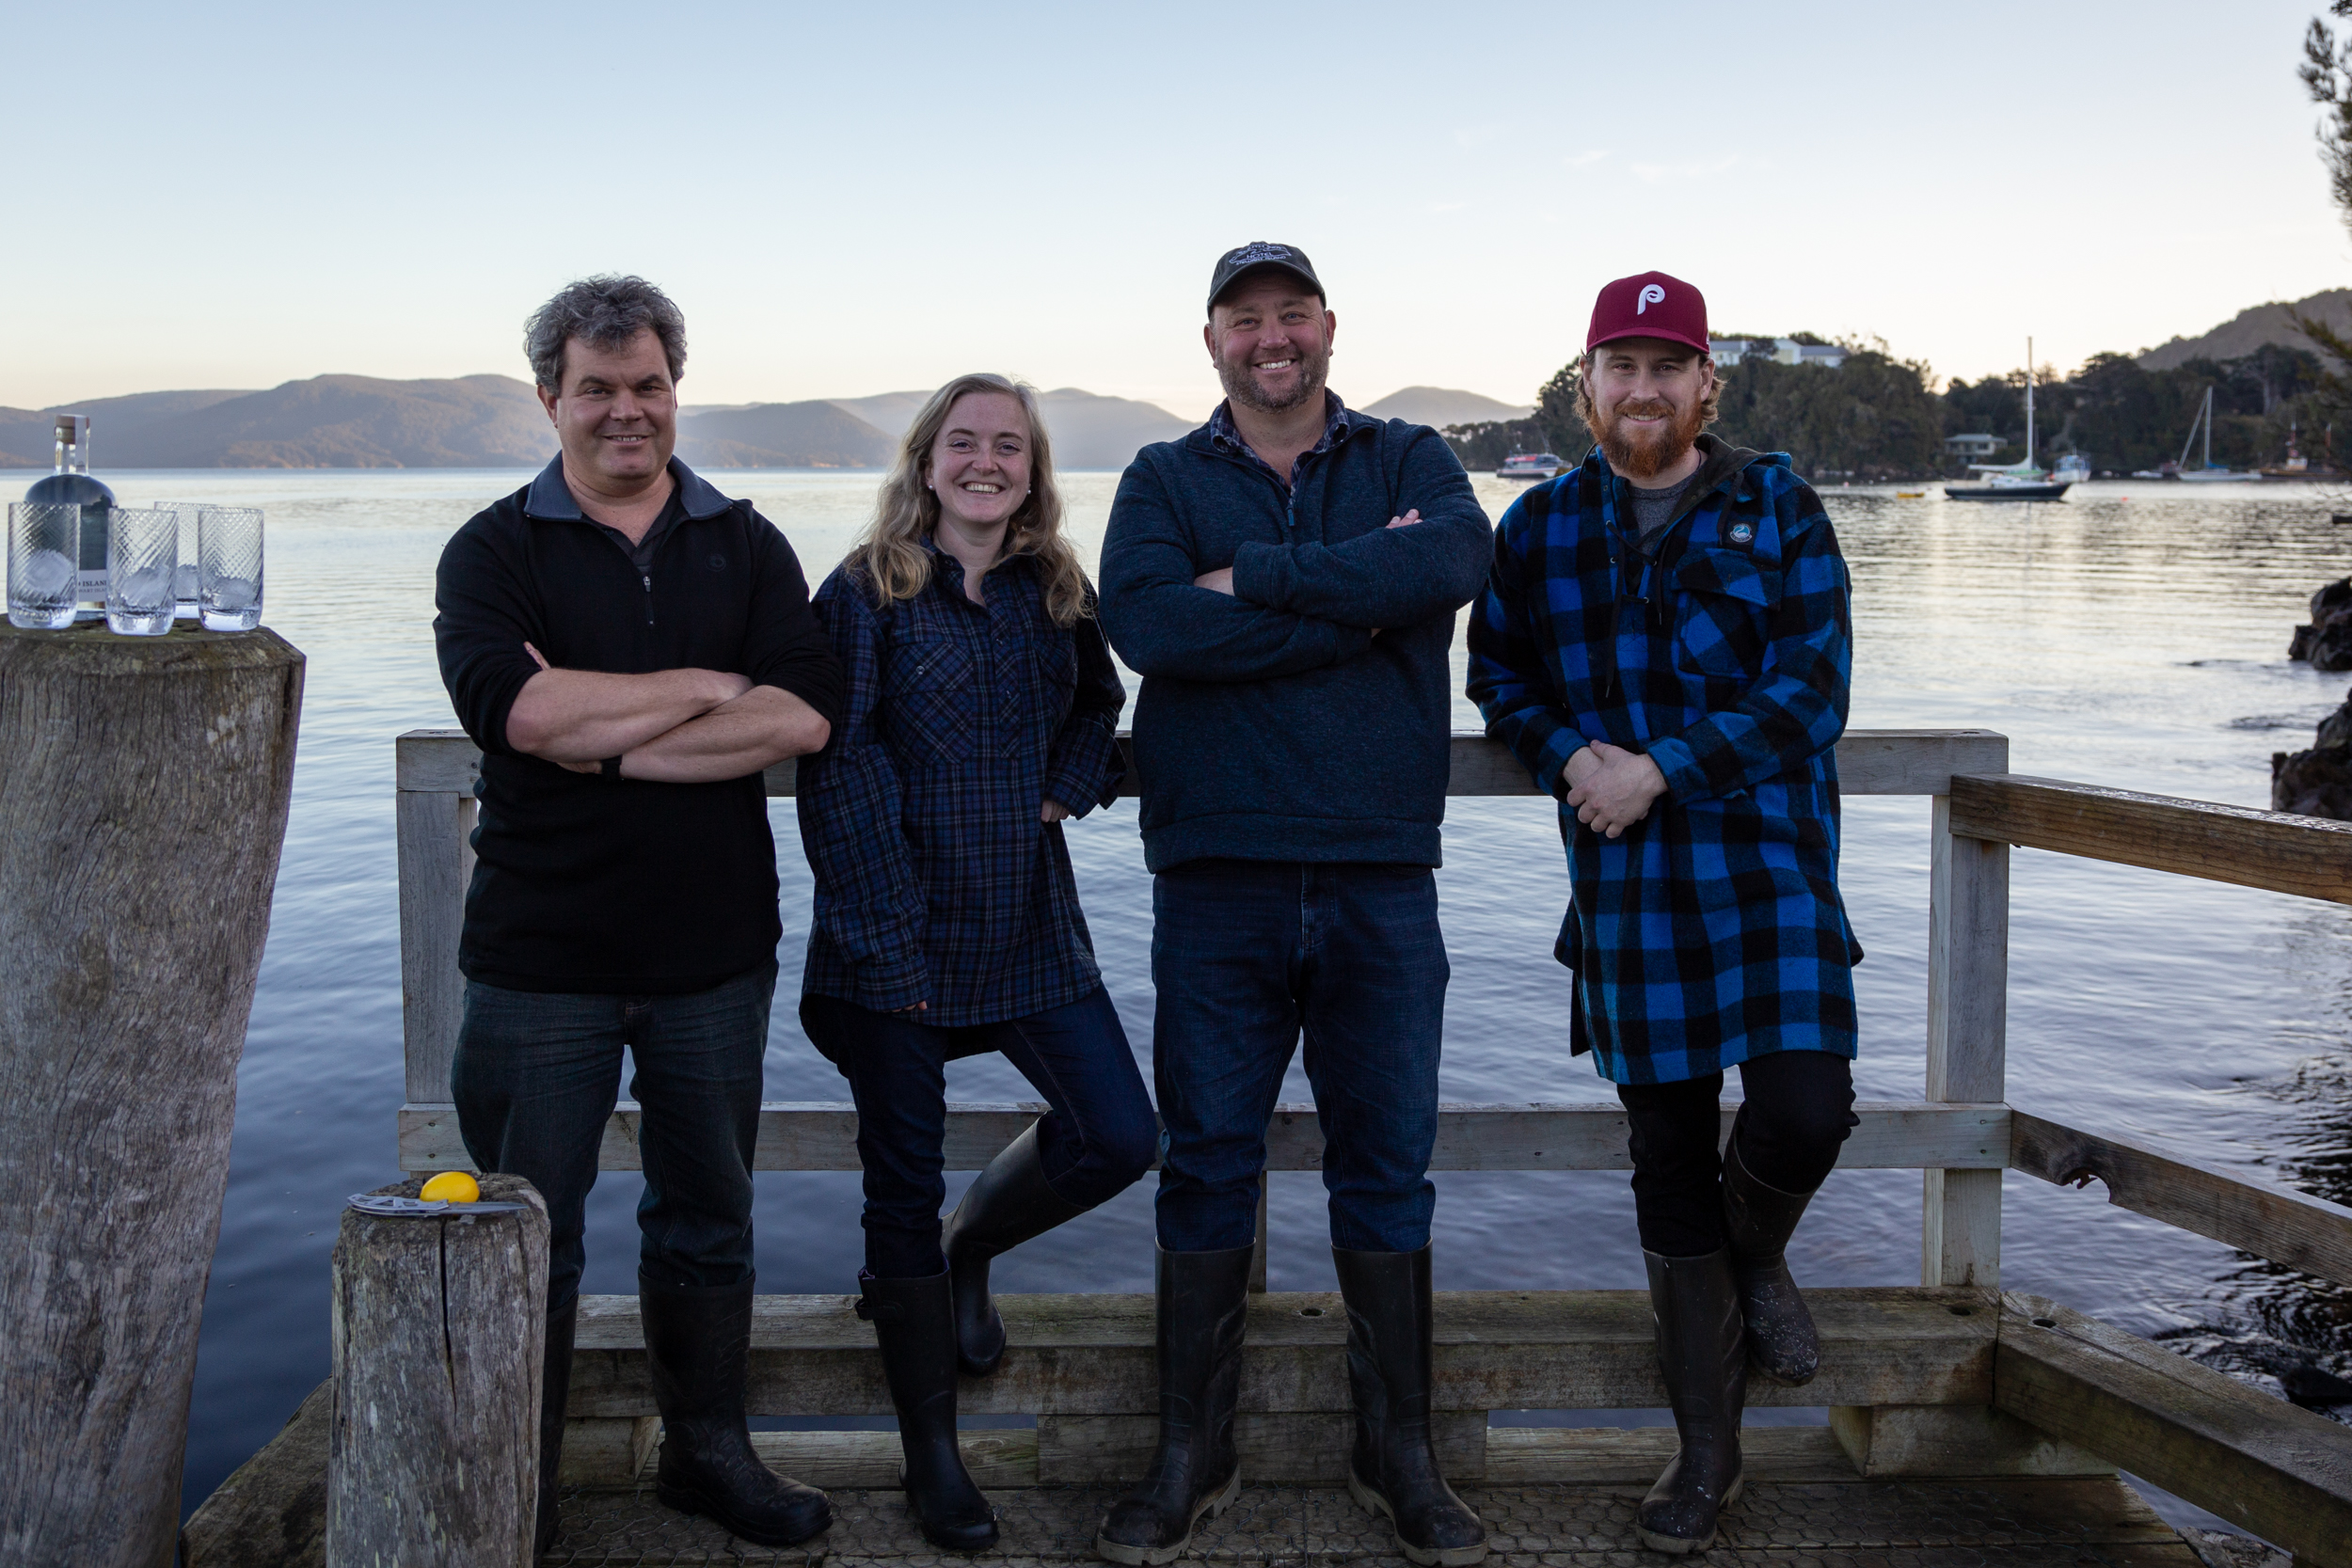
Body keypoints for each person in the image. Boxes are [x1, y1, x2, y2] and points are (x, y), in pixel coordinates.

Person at [1093, 243, 1494, 1568]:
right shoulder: (1161, 477)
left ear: (1327, 326)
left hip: (1383, 869)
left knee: (1387, 1168)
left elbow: (1452, 561)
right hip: (1216, 876)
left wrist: (1255, 576)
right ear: (1211, 338)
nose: (1272, 337)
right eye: (1245, 319)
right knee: (1206, 1160)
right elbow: (1148, 629)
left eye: (1292, 315)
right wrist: (1356, 602)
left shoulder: (1409, 456)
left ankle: (1399, 1449)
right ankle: (1191, 1448)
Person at [433, 275, 844, 1554]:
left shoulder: (752, 543)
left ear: (678, 388)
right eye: (597, 388)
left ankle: (707, 1454)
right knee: (520, 1230)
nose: (627, 410)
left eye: (649, 385)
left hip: (710, 953)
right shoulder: (491, 549)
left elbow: (802, 714)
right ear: (550, 396)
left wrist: (608, 735)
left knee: (709, 1213)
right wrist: (705, 685)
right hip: (537, 956)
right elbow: (522, 714)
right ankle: (517, 1479)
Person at [1465, 271, 1862, 1555]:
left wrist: (1662, 767)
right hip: (1628, 889)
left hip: (1768, 872)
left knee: (1808, 1107)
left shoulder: (1778, 507)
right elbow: (1497, 672)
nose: (1643, 389)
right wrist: (1569, 750)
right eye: (1618, 367)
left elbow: (1813, 690)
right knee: (1666, 1155)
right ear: (1586, 386)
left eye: (1666, 366)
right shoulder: (1536, 529)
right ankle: (1709, 1453)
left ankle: (1756, 1256)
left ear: (1706, 386)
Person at [796, 373, 1156, 1552]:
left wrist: (1070, 779)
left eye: (1008, 445)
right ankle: (932, 1459)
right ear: (927, 459)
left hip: (1027, 923)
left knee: (1119, 1130)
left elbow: (1099, 701)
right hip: (888, 935)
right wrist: (884, 929)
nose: (985, 461)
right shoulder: (864, 590)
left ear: (1031, 468)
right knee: (895, 1192)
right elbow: (834, 765)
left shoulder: (1057, 588)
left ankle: (974, 1248)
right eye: (965, 442)